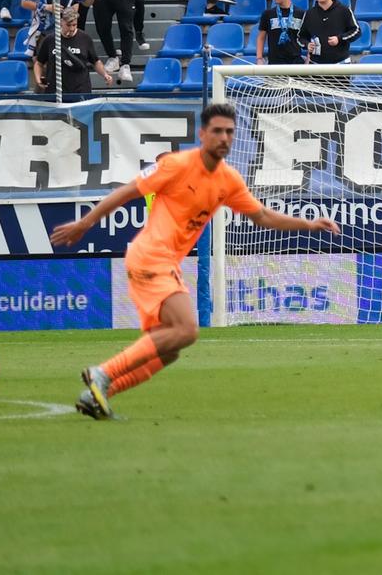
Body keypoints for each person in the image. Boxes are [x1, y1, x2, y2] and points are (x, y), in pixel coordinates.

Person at [50, 102, 341, 417]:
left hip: (164, 264)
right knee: (187, 329)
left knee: (169, 348)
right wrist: (85, 223)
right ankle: (102, 373)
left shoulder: (228, 180)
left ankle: (98, 392)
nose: (224, 138)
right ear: (203, 134)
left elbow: (262, 216)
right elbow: (126, 192)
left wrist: (308, 224)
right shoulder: (176, 165)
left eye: (229, 132)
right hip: (150, 257)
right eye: (217, 131)